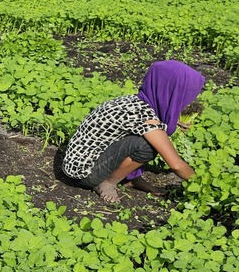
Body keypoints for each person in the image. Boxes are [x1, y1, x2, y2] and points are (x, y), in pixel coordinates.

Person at [62, 60, 205, 203]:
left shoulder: (134, 102)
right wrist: (203, 184)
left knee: (146, 138)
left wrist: (171, 122)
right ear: (172, 92)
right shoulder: (146, 117)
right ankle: (107, 183)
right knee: (147, 146)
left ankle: (132, 179)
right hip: (84, 174)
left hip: (77, 163)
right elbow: (176, 165)